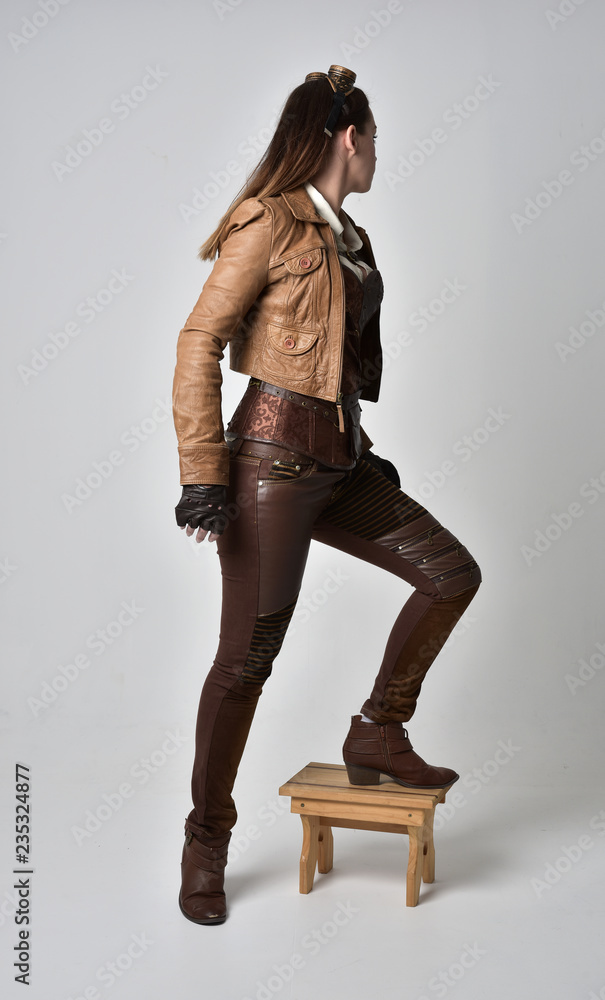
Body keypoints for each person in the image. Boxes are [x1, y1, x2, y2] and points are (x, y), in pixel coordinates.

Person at [171, 65, 481, 925]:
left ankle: (378, 728)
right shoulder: (270, 222)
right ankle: (206, 840)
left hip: (340, 461)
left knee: (450, 573)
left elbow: (337, 371)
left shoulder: (352, 236)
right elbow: (198, 340)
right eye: (374, 138)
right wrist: (204, 473)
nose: (379, 153)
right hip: (270, 465)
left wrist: (358, 450)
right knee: (248, 659)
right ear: (349, 137)